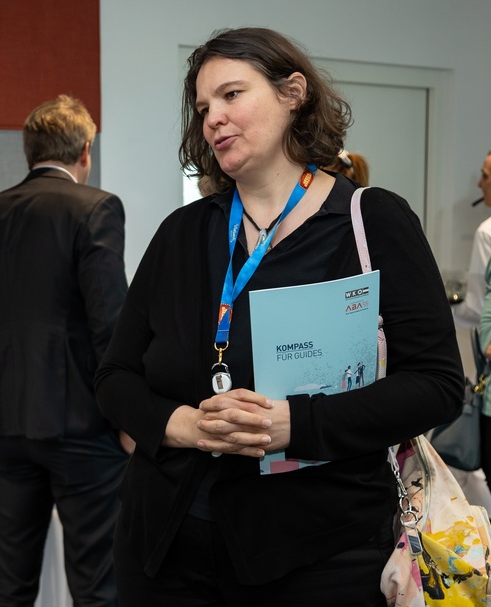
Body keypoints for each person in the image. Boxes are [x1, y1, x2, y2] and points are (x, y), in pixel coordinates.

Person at [94, 27, 462, 606]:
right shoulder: (184, 234)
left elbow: (437, 386)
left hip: (319, 554)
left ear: (293, 93)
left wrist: (296, 424)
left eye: (232, 94)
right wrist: (185, 425)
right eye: (203, 107)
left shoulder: (372, 223)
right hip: (166, 546)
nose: (213, 117)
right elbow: (114, 379)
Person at [0, 94, 130, 606]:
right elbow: (110, 325)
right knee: (98, 584)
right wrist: (124, 416)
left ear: (30, 152)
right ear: (85, 152)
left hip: (6, 426)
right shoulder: (96, 208)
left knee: (10, 580)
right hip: (83, 427)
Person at [452, 151, 491, 328]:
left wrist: (448, 309)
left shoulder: (486, 233)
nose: (479, 184)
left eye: (485, 176)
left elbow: (479, 308)